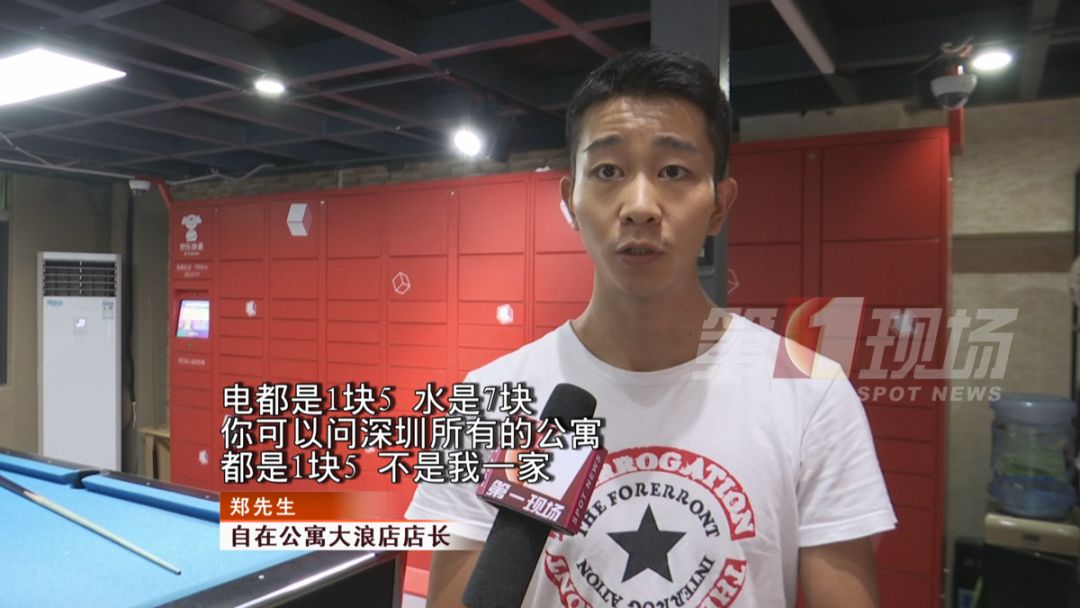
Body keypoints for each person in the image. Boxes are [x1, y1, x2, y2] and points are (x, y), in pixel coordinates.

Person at [405, 46, 896, 607]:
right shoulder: (488, 399)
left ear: (719, 206)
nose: (640, 206)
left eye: (673, 172)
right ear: (571, 202)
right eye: (608, 171)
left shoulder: (811, 393)